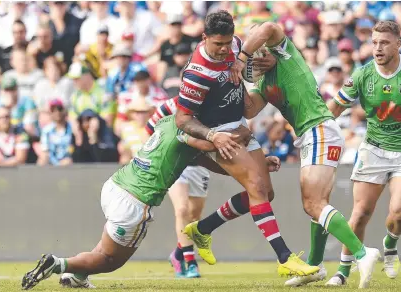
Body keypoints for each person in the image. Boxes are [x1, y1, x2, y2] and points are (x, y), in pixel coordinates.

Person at [21, 114, 282, 290]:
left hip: (115, 185)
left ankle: (77, 275)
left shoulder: (168, 119)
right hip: (135, 202)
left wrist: (259, 165)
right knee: (110, 260)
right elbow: (219, 146)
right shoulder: (189, 130)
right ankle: (57, 263)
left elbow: (204, 160)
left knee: (104, 244)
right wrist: (252, 148)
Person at [228, 21, 380, 288]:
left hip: (318, 129)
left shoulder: (285, 52)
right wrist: (237, 79)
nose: (261, 54)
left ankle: (362, 253)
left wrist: (241, 58)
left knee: (313, 204)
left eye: (261, 49)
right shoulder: (264, 83)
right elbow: (249, 110)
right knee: (317, 206)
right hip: (314, 134)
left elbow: (267, 27)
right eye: (257, 52)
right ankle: (315, 266)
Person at [175, 10, 318, 277]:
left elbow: (260, 34)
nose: (223, 49)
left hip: (240, 126)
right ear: (204, 37)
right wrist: (211, 136)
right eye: (217, 44)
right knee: (256, 187)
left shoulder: (237, 46)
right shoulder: (196, 74)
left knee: (265, 194)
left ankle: (202, 228)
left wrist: (249, 62)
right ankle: (285, 258)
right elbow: (182, 120)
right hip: (219, 134)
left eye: (228, 43)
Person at [325, 20, 401, 286]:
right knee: (360, 213)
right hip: (373, 149)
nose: (377, 48)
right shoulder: (362, 75)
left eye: (384, 42)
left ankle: (390, 242)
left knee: (398, 215)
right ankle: (342, 270)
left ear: (398, 44)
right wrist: (313, 129)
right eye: (374, 42)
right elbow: (334, 109)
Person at [146, 95, 208, 278]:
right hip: (175, 165)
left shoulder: (211, 105)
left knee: (194, 218)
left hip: (201, 165)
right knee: (181, 210)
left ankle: (178, 254)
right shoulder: (171, 105)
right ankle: (191, 263)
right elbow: (150, 127)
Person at [37, 99, 73, 166]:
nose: (57, 112)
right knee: (41, 160)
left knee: (68, 161)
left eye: (59, 109)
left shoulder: (72, 128)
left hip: (68, 161)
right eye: (53, 110)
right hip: (52, 162)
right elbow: (45, 150)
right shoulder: (46, 130)